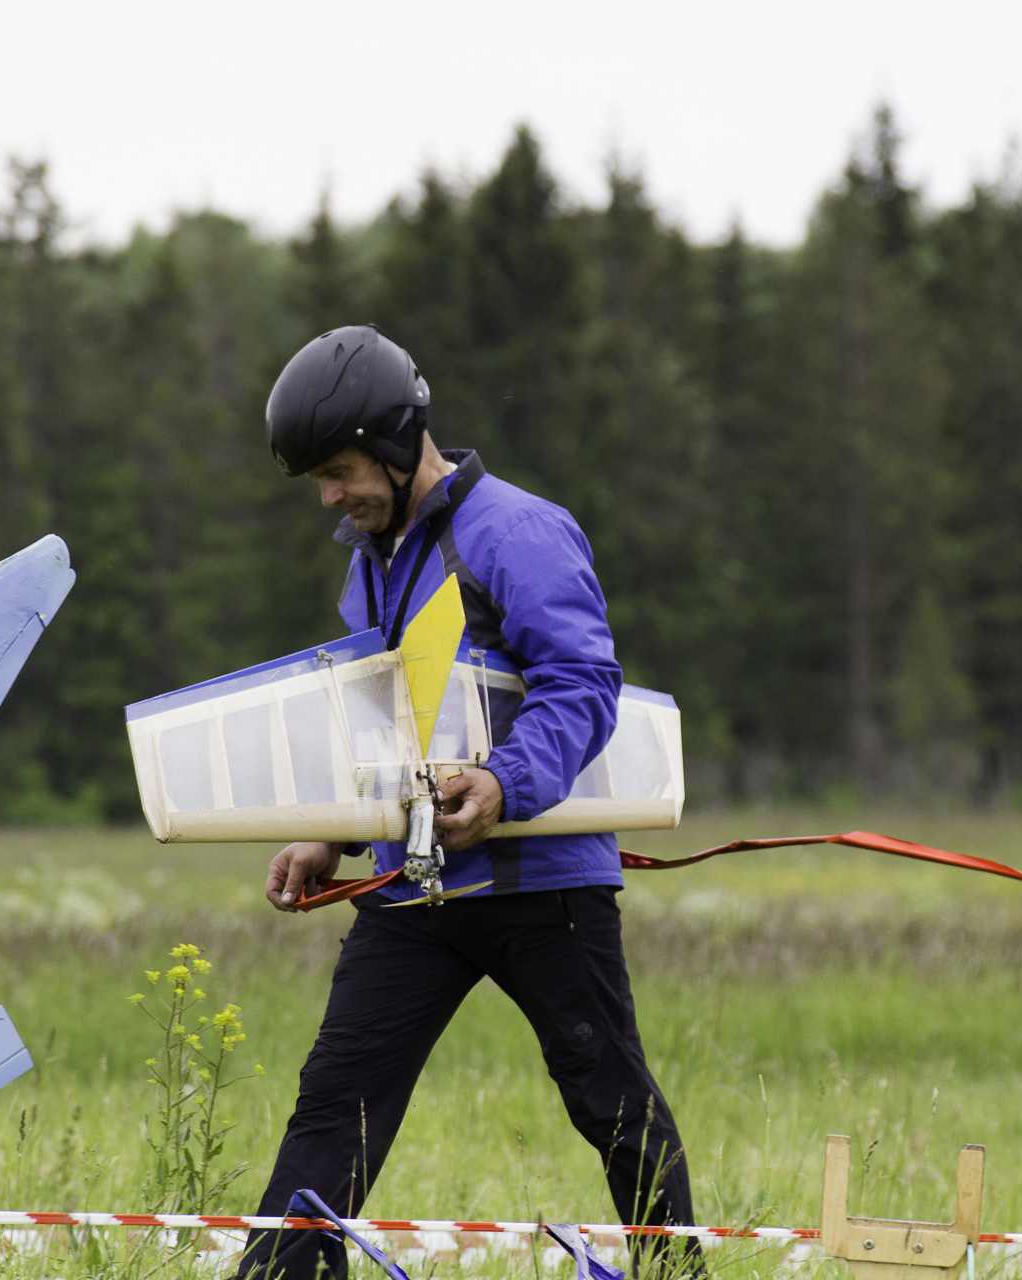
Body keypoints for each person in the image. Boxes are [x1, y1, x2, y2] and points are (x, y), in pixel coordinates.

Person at [236, 326, 701, 1280]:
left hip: (542, 885)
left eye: (339, 472)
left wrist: (503, 783)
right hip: (413, 888)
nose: (330, 498)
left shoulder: (518, 532)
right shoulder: (369, 561)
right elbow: (384, 718)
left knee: (612, 1104)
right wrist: (329, 835)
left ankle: (677, 1271)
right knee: (334, 1107)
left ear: (393, 441)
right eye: (319, 482)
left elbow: (583, 684)